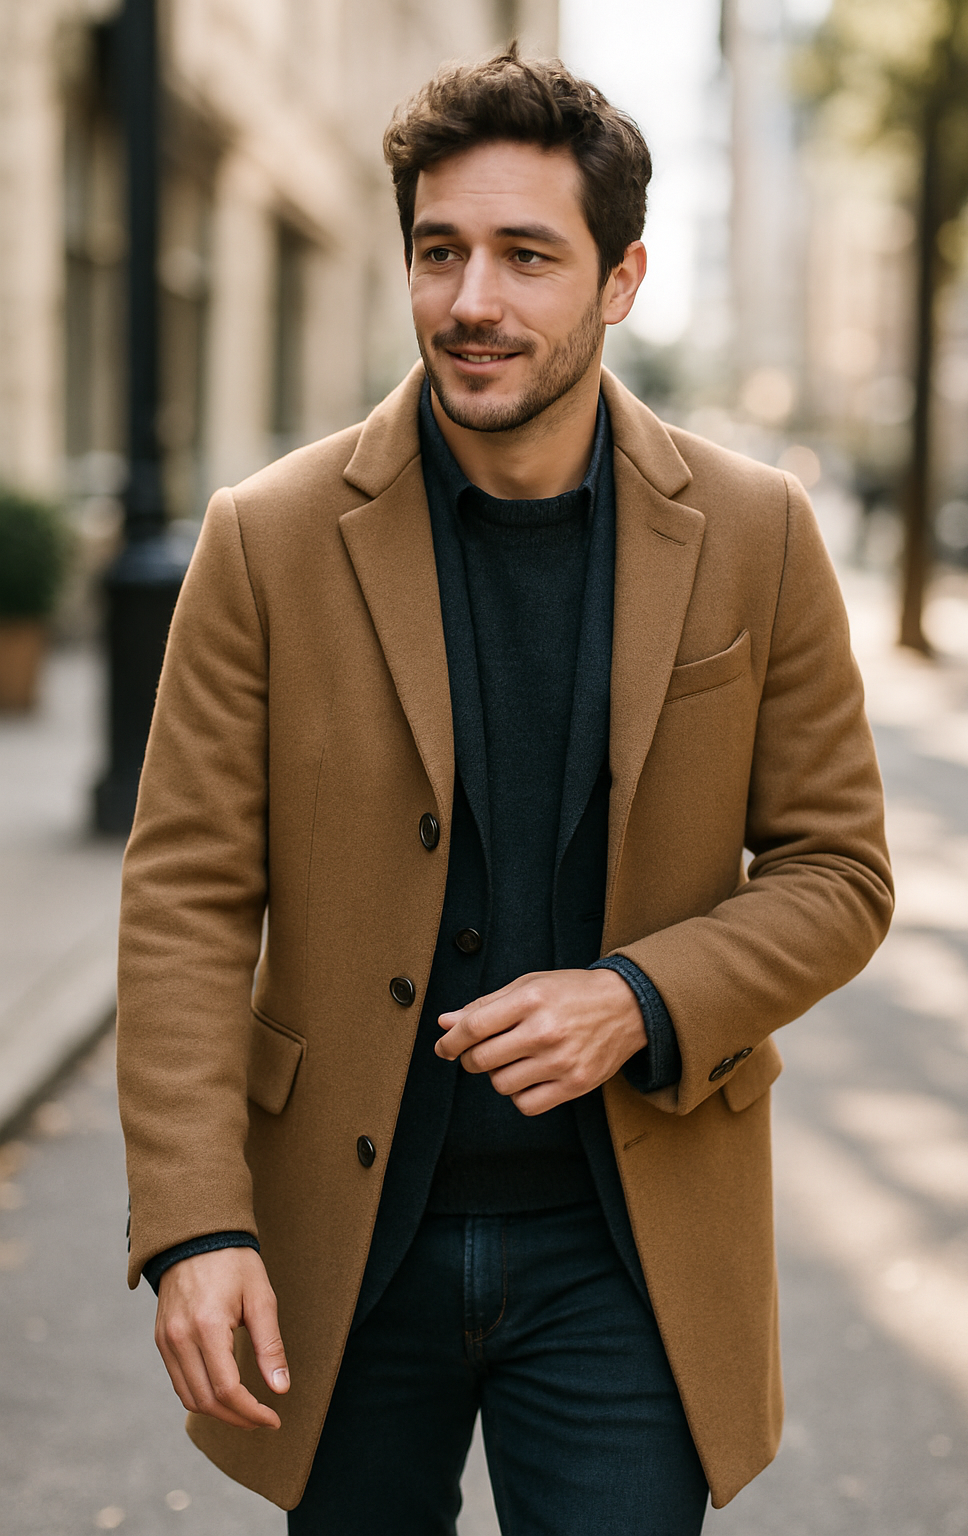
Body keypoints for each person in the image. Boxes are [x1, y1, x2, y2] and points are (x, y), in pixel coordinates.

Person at [116, 46, 893, 1536]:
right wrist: (194, 1225)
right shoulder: (266, 540)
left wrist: (640, 996)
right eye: (440, 251)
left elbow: (839, 873)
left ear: (621, 280)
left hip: (628, 1246)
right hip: (346, 1252)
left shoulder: (757, 534)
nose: (474, 300)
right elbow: (185, 897)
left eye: (527, 256)